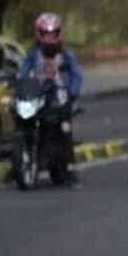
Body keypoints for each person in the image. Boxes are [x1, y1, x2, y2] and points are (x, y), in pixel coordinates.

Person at [18, 13, 84, 189]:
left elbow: (77, 75)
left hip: (60, 99)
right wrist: (18, 86)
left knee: (65, 131)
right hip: (38, 97)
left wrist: (72, 92)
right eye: (45, 33)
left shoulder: (66, 54)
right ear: (39, 33)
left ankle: (70, 170)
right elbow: (22, 73)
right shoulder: (33, 55)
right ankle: (20, 162)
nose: (49, 37)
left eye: (53, 33)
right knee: (24, 122)